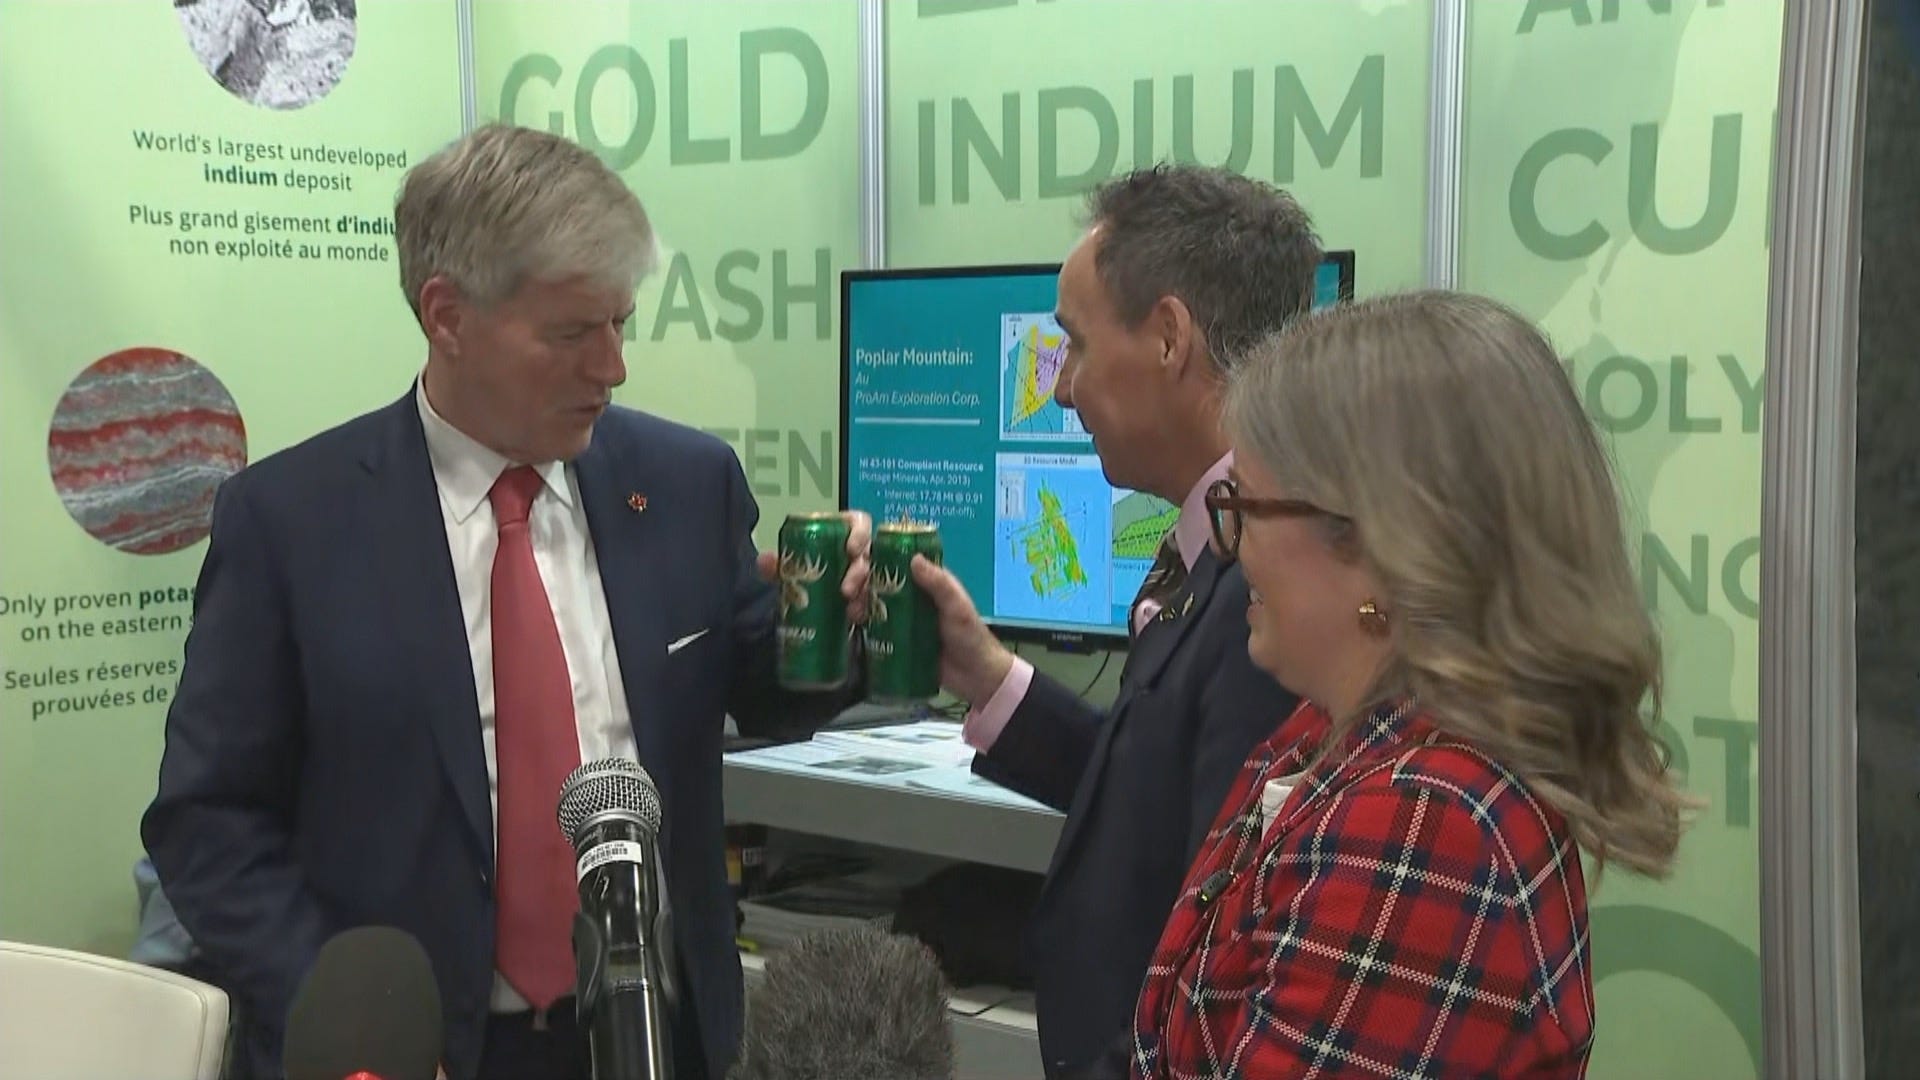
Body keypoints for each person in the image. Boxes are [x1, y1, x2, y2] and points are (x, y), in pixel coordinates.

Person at [141, 123, 871, 1080]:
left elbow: (768, 691)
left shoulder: (684, 484)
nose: (612, 366)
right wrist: (358, 1024)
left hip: (656, 1033)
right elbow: (208, 824)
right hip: (417, 1050)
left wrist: (843, 627)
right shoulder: (292, 523)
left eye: (621, 323)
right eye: (572, 333)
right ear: (447, 315)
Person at [1129, 291, 1697, 1078]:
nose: (1233, 547)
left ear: (1382, 542)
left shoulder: (1425, 823)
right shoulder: (1333, 739)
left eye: (1247, 507)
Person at [908, 163, 1315, 1077]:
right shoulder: (1215, 551)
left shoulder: (1273, 596)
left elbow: (1225, 943)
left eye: (1075, 346)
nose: (1061, 389)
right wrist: (988, 676)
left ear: (1169, 337)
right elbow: (1157, 793)